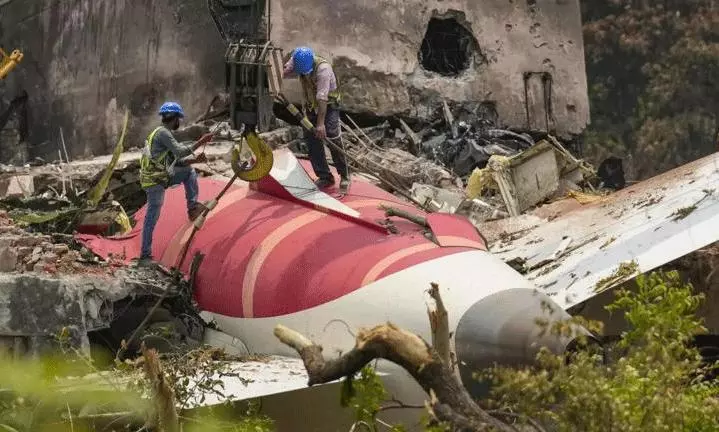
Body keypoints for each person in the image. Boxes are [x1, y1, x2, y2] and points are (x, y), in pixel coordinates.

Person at [138, 101, 213, 264]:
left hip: (159, 177)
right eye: (179, 118)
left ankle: (192, 207)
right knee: (151, 218)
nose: (179, 122)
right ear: (175, 118)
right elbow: (179, 152)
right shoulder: (163, 133)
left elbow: (175, 162)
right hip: (155, 181)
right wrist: (201, 141)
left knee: (189, 172)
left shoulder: (161, 134)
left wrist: (195, 160)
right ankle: (145, 255)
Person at [283, 46, 349, 191]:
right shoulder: (297, 59)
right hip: (311, 104)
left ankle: (344, 176)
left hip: (328, 105)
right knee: (311, 139)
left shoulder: (323, 70)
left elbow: (322, 98)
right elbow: (285, 70)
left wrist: (320, 124)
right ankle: (325, 176)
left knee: (332, 136)